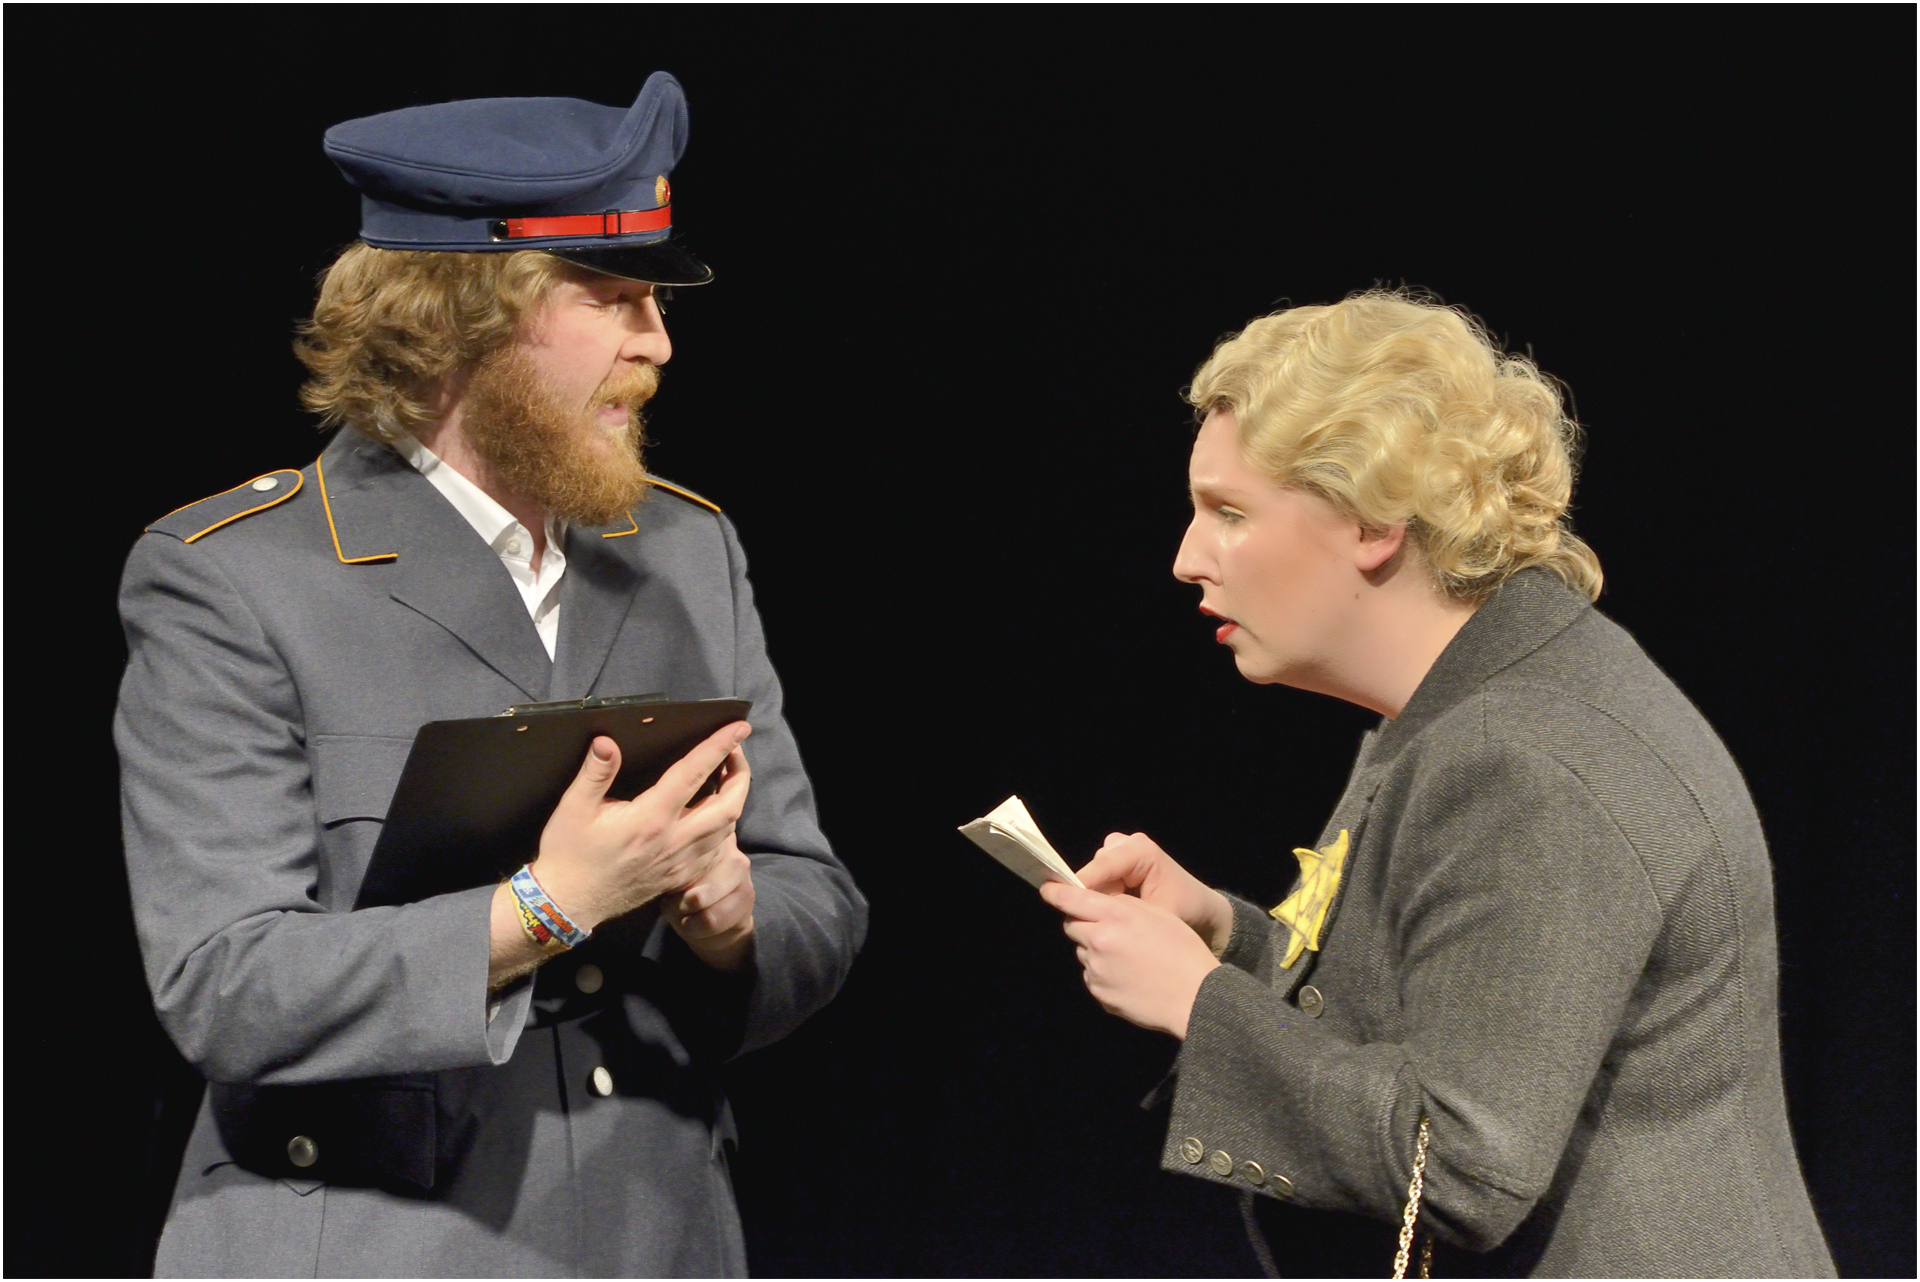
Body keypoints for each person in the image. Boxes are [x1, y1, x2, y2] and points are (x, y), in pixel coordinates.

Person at [116, 74, 867, 1276]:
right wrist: (544, 907)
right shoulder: (238, 576)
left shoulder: (686, 551)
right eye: (611, 299)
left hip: (655, 1236)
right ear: (457, 320)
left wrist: (732, 920)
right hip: (372, 1243)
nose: (658, 342)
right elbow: (226, 985)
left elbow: (814, 898)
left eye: (656, 302)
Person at [1040, 291, 1834, 1276]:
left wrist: (1200, 1002)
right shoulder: (1476, 697)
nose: (1186, 559)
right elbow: (1449, 1005)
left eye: (1230, 514)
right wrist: (1229, 939)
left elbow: (1462, 1162)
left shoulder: (1522, 758)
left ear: (1374, 523)